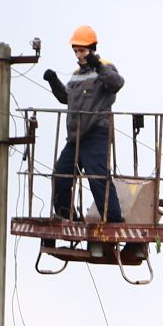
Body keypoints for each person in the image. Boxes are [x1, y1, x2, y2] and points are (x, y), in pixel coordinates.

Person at [43, 24, 125, 224]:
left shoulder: (105, 67)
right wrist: (53, 81)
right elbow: (66, 98)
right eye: (76, 51)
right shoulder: (77, 74)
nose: (78, 55)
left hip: (96, 133)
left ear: (92, 49)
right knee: (61, 174)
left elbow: (117, 83)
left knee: (98, 179)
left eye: (82, 50)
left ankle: (114, 221)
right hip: (76, 136)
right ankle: (66, 212)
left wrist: (97, 65)